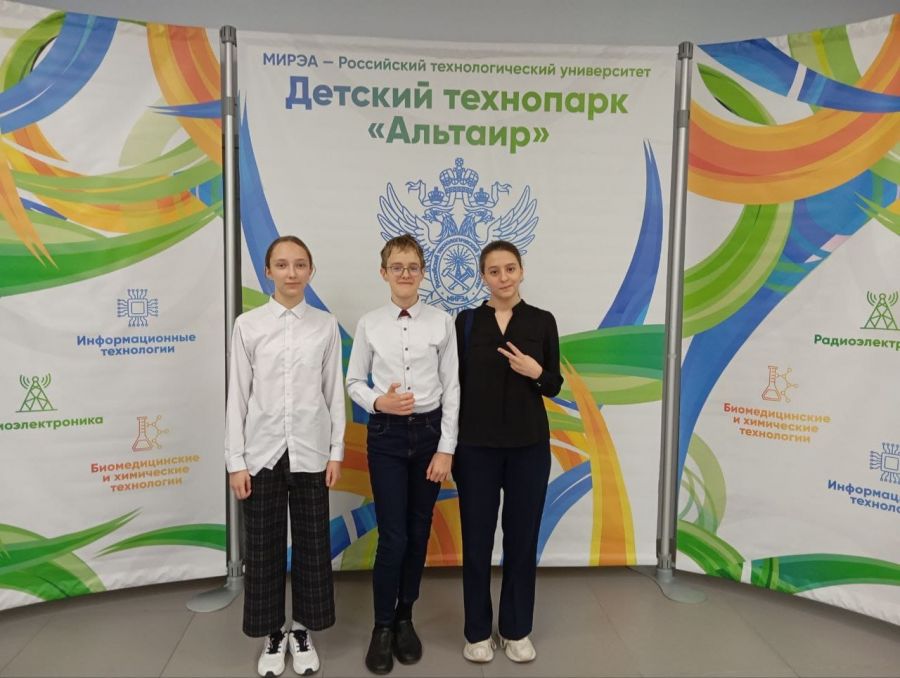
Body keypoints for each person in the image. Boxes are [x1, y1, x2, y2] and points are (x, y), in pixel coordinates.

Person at [224, 235, 344, 678]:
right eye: (282, 264)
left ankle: (302, 630)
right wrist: (236, 461)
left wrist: (336, 452)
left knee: (313, 546)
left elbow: (333, 393)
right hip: (262, 453)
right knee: (263, 548)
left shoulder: (325, 325)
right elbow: (238, 395)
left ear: (310, 270)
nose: (291, 273)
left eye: (299, 264)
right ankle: (273, 633)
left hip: (312, 451)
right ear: (268, 271)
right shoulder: (248, 325)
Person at [346, 234, 460, 675]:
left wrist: (446, 449)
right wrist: (379, 401)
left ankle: (405, 617)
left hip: (429, 437)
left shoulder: (442, 322)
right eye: (397, 267)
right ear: (384, 273)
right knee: (392, 536)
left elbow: (452, 387)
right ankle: (381, 627)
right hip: (387, 437)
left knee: (417, 531)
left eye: (413, 266)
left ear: (423, 272)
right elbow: (354, 382)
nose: (406, 274)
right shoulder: (370, 324)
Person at [453, 240, 563, 664]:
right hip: (475, 449)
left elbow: (554, 384)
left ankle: (516, 629)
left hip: (528, 449)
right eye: (494, 271)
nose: (503, 278)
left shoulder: (542, 321)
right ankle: (477, 631)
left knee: (521, 539)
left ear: (521, 271)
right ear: (483, 276)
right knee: (476, 541)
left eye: (510, 269)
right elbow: (453, 385)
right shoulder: (466, 322)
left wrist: (536, 372)